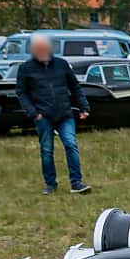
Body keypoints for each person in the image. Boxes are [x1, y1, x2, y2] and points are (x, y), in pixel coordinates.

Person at [13, 34, 91, 195]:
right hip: (43, 116)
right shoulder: (25, 68)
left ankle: (76, 183)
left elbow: (75, 87)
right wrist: (34, 113)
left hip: (64, 114)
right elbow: (21, 92)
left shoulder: (62, 65)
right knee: (47, 150)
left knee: (71, 144)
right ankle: (50, 184)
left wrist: (84, 107)